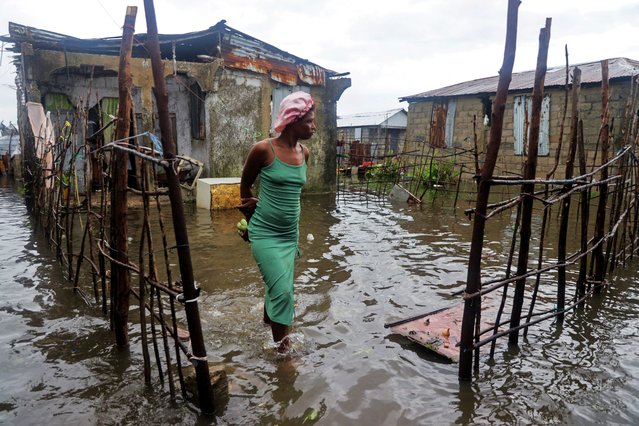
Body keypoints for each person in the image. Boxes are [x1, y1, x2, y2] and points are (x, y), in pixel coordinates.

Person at [238, 91, 316, 353]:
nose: (313, 127)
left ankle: (266, 321)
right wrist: (250, 219)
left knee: (279, 284)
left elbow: (290, 196)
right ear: (293, 120)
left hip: (289, 234)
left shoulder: (304, 153)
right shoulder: (263, 149)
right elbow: (245, 186)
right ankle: (283, 353)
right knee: (283, 291)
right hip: (265, 233)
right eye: (309, 122)